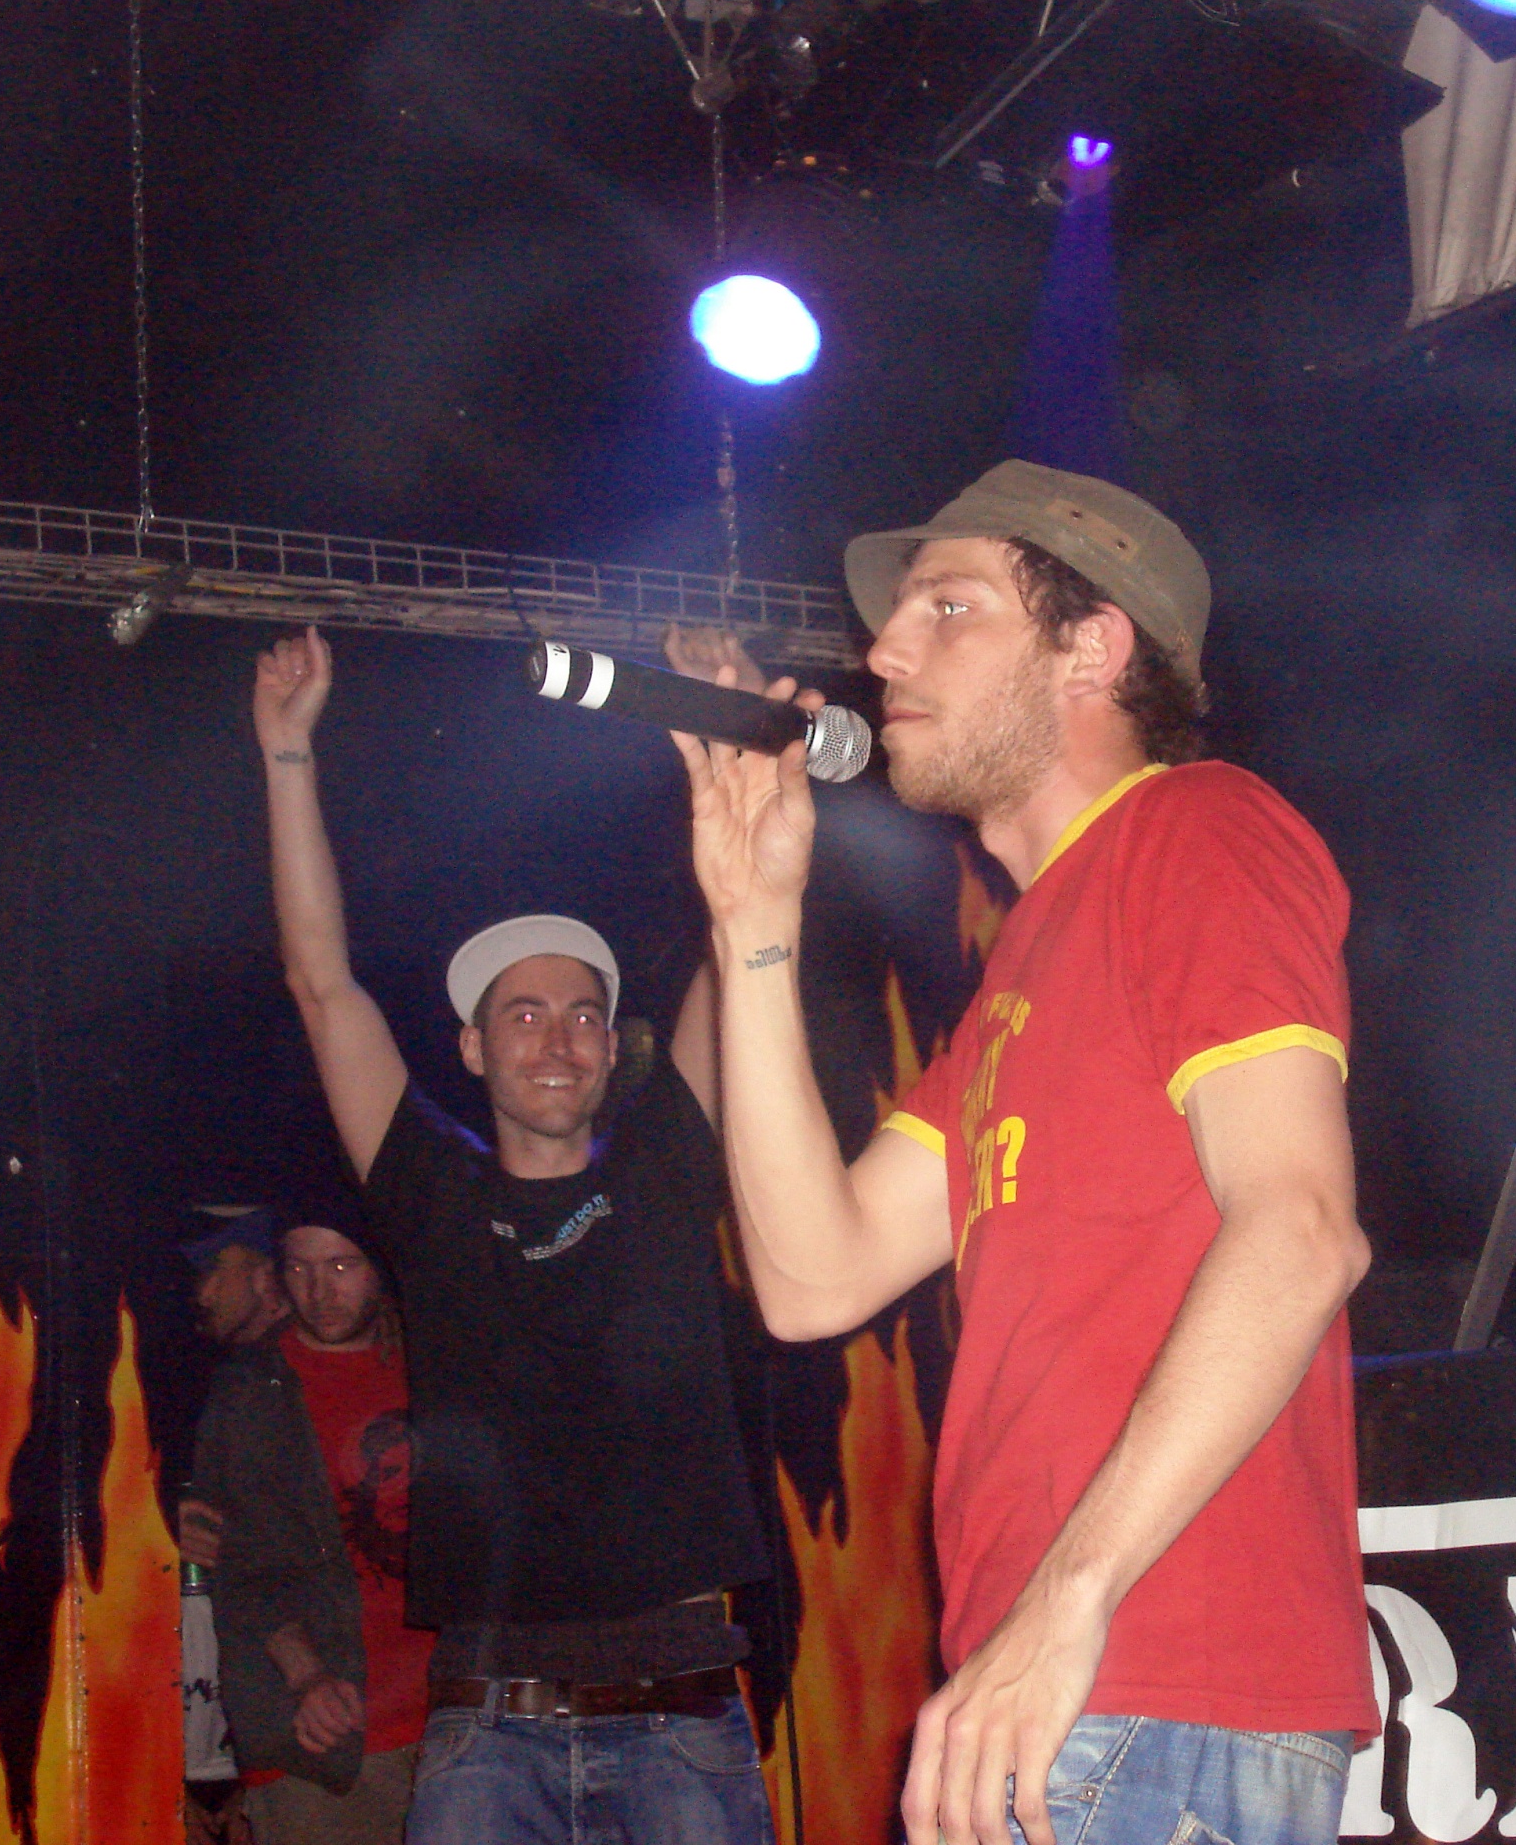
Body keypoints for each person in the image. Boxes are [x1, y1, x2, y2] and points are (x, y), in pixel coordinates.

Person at [675, 461, 1375, 1845]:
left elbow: (1301, 1232)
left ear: (1091, 648)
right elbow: (812, 1279)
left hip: (1151, 1686)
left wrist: (1067, 1603)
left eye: (947, 606)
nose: (885, 649)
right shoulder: (1021, 972)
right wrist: (754, 920)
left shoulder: (1197, 828)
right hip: (1063, 1696)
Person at [249, 626, 773, 1845]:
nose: (556, 1039)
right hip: (491, 1729)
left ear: (611, 1045)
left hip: (683, 1719)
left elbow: (741, 926)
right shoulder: (432, 1192)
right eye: (523, 1015)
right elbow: (322, 983)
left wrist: (735, 731)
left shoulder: (664, 1164)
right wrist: (286, 752)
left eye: (582, 1015)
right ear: (475, 1048)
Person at [188, 1201, 433, 1845]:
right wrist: (305, 1676)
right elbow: (240, 1564)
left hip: (457, 1723)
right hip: (321, 1737)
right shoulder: (250, 1390)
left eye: (342, 1266)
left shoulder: (436, 1363)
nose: (320, 1291)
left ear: (380, 1268)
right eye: (299, 1268)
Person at [180, 1209, 290, 1845]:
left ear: (267, 1276)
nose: (201, 1292)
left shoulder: (303, 1379)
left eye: (213, 1269)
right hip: (236, 1735)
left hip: (299, 1732)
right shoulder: (229, 1380)